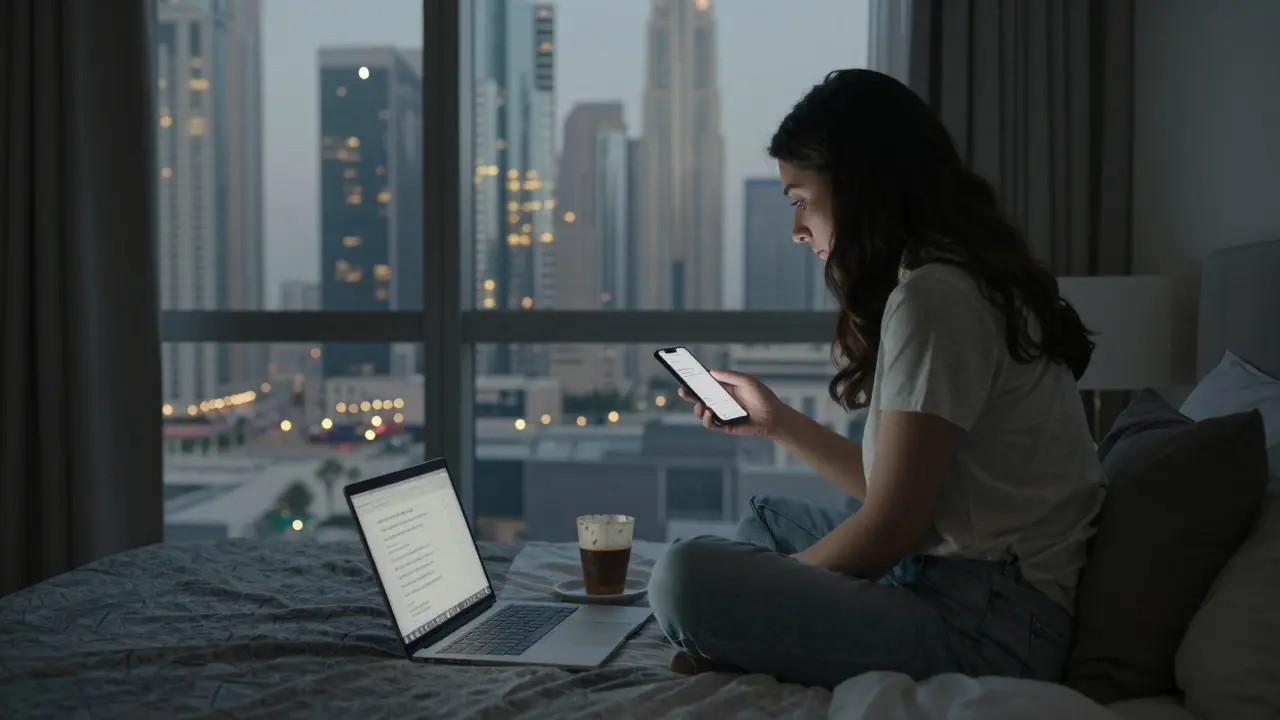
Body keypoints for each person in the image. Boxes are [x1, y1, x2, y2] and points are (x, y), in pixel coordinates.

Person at [647, 69, 1105, 689]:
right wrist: (777, 421)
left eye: (800, 199)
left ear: (860, 187)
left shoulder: (938, 298)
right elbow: (900, 493)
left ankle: (741, 642)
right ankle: (747, 641)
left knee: (684, 576)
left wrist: (774, 594)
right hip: (958, 580)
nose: (796, 228)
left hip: (987, 626)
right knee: (766, 516)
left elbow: (894, 526)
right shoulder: (948, 281)